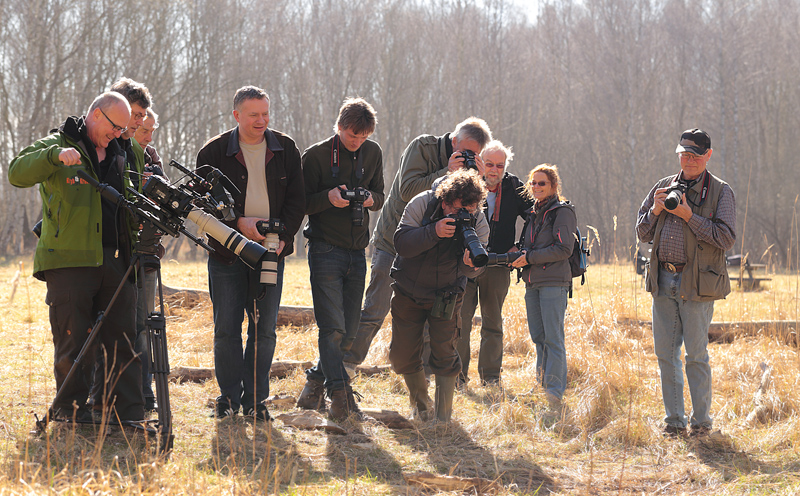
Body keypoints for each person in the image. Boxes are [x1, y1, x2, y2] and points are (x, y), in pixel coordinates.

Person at [8, 92, 144, 422]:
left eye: (124, 129)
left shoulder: (127, 151)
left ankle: (124, 413)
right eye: (115, 126)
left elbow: (138, 190)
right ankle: (70, 412)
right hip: (69, 261)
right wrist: (55, 157)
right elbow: (17, 172)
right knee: (73, 342)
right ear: (96, 114)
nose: (118, 133)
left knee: (123, 339)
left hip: (116, 258)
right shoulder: (57, 143)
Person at [342, 117, 493, 375]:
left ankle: (420, 381)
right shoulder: (423, 147)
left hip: (435, 255)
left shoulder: (469, 170)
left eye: (475, 155)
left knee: (427, 321)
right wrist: (447, 173)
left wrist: (477, 177)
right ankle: (344, 367)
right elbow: (406, 190)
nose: (468, 157)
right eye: (465, 150)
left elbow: (473, 206)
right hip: (395, 241)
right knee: (375, 309)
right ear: (454, 140)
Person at [197, 85, 305, 421]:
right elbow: (202, 205)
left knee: (265, 329)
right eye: (254, 114)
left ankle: (256, 402)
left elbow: (297, 201)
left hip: (271, 253)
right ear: (237, 115)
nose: (262, 120)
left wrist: (284, 236)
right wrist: (238, 222)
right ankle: (228, 398)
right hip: (227, 253)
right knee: (226, 328)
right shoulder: (212, 153)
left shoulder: (286, 148)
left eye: (266, 113)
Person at [636, 128, 736, 438]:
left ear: (707, 155)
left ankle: (702, 423)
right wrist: (655, 209)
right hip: (663, 278)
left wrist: (689, 216)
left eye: (694, 155)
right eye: (683, 154)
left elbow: (726, 238)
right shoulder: (664, 186)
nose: (688, 160)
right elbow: (641, 232)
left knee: (696, 355)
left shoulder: (721, 192)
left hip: (697, 283)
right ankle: (674, 421)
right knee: (666, 354)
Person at [297, 98, 385, 419]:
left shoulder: (372, 153)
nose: (356, 141)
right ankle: (341, 397)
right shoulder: (317, 156)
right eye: (351, 134)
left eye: (362, 136)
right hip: (324, 249)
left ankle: (311, 390)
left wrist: (368, 197)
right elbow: (301, 202)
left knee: (347, 333)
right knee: (331, 329)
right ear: (339, 126)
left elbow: (381, 196)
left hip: (357, 251)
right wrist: (328, 198)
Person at [390, 169, 489, 422]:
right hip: (408, 291)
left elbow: (475, 269)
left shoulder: (478, 221)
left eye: (470, 210)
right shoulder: (422, 203)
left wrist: (471, 265)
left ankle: (443, 419)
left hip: (447, 294)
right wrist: (433, 232)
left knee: (445, 352)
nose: (463, 216)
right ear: (445, 202)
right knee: (402, 354)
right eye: (457, 210)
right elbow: (401, 243)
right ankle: (422, 408)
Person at [88, 78, 153, 414]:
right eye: (135, 115)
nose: (139, 122)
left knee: (129, 327)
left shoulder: (136, 151)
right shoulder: (97, 146)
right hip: (94, 251)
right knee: (96, 330)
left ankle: (130, 401)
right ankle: (96, 400)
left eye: (142, 116)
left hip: (127, 249)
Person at [457, 140, 532, 388]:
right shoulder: (465, 183)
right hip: (466, 263)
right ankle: (457, 379)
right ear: (480, 162)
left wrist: (520, 247)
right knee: (460, 321)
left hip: (499, 264)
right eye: (489, 164)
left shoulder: (513, 186)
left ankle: (490, 379)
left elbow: (535, 216)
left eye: (500, 165)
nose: (494, 170)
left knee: (493, 323)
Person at [510, 164, 577, 413]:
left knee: (553, 338)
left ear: (554, 186)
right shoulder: (533, 213)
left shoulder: (562, 212)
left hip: (554, 283)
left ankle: (554, 392)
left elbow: (563, 249)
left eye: (542, 183)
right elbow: (530, 247)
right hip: (532, 282)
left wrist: (529, 258)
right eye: (534, 183)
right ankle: (541, 385)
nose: (536, 187)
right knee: (539, 337)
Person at [132, 107, 166, 412]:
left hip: (148, 252)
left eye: (152, 131)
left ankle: (145, 393)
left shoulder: (152, 157)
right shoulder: (112, 151)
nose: (149, 137)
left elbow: (166, 202)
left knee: (144, 323)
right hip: (117, 252)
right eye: (144, 130)